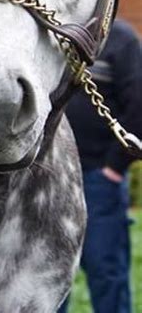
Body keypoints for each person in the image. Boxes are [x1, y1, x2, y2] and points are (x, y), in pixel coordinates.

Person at [59, 18, 142, 313]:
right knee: (51, 280)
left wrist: (114, 168)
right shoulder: (53, 32)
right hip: (51, 182)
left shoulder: (122, 40)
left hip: (98, 180)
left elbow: (138, 108)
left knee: (106, 274)